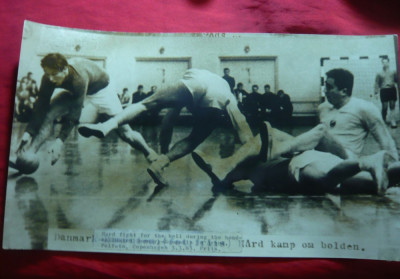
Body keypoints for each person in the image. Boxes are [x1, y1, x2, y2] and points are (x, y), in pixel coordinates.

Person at [79, 69, 320, 186]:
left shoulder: (192, 79)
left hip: (197, 85)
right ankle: (165, 163)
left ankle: (107, 125)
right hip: (221, 103)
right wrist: (161, 159)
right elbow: (243, 135)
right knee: (194, 140)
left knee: (145, 104)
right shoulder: (227, 92)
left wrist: (161, 150)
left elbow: (167, 123)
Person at [192, 68, 399, 195]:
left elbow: (387, 144)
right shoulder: (323, 108)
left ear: (344, 90)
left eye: (329, 87)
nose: (325, 90)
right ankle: (226, 171)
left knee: (320, 131)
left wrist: (393, 163)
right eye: (325, 85)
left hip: (344, 155)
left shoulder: (364, 108)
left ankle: (273, 150)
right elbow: (312, 143)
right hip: (320, 155)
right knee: (268, 135)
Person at [15, 53, 158, 173]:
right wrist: (29, 131)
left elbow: (74, 115)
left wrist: (60, 141)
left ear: (64, 69)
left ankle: (150, 154)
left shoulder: (79, 77)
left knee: (125, 133)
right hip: (77, 92)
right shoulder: (49, 77)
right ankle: (29, 154)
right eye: (47, 74)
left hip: (102, 91)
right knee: (48, 114)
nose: (50, 79)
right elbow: (41, 105)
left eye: (53, 75)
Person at [374, 57, 398, 128]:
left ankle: (392, 121)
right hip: (384, 90)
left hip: (392, 89)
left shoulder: (393, 71)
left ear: (388, 62)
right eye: (383, 62)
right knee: (384, 107)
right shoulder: (379, 73)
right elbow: (377, 83)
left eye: (386, 62)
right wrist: (376, 93)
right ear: (382, 63)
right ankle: (383, 120)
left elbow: (397, 80)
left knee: (392, 106)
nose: (385, 63)